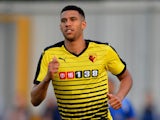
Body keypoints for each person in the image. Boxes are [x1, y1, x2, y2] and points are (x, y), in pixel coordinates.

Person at [30, 5, 133, 120]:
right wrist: (47, 79)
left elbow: (126, 77)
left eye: (73, 19)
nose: (67, 24)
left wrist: (119, 96)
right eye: (64, 21)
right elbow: (34, 101)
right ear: (60, 26)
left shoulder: (104, 50)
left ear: (83, 25)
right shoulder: (49, 55)